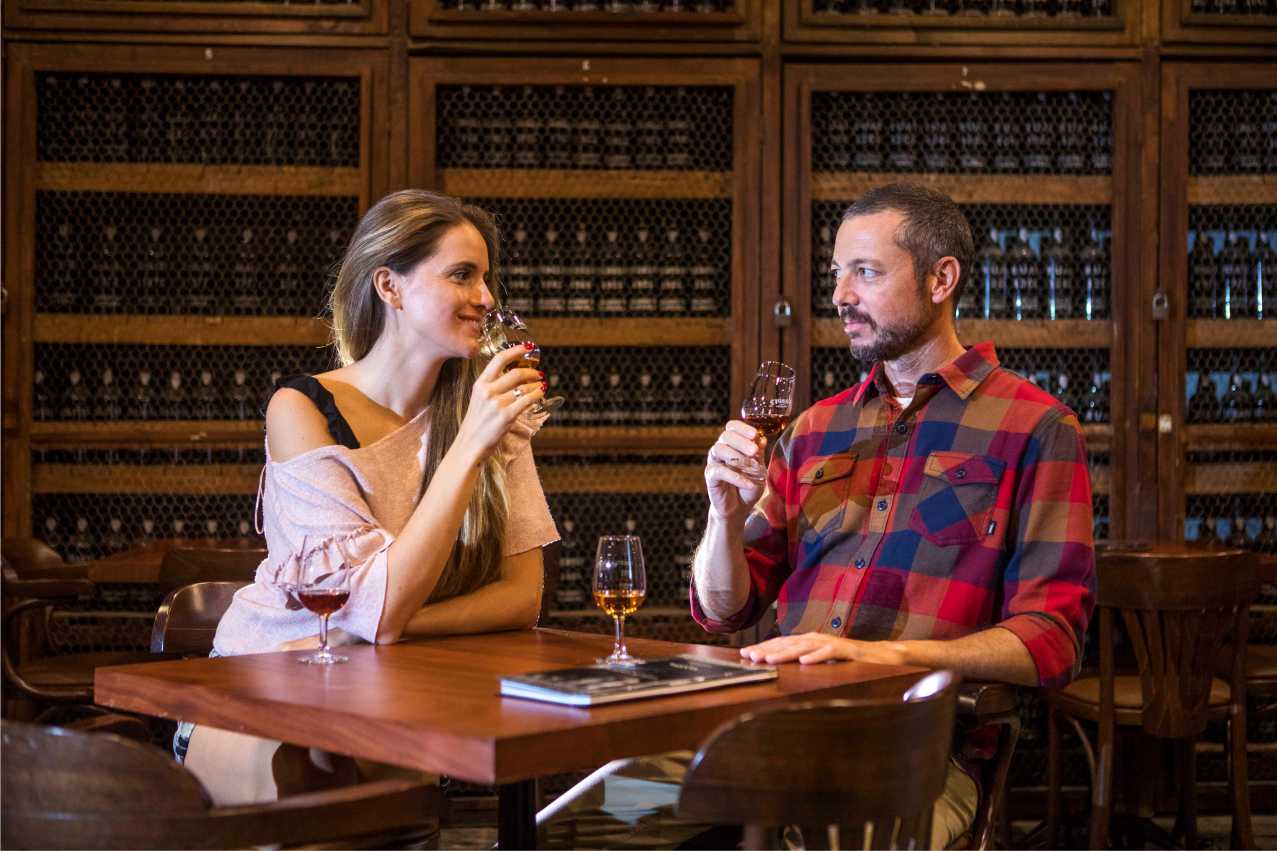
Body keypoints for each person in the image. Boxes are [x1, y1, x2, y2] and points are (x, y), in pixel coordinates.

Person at [556, 183, 1096, 849]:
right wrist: (723, 517)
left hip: (909, 761)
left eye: (865, 272)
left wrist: (878, 656)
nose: (840, 295)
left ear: (941, 279)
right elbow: (723, 610)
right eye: (837, 272)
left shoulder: (1036, 427)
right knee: (585, 823)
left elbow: (1050, 640)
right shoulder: (815, 427)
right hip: (759, 736)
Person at [183, 189, 560, 808]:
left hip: (387, 693)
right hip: (260, 692)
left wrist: (374, 632)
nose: (487, 298)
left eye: (486, 278)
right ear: (390, 286)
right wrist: (469, 446)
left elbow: (521, 598)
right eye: (462, 275)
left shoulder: (486, 412)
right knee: (323, 806)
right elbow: (375, 611)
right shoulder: (302, 409)